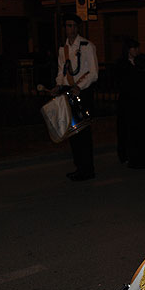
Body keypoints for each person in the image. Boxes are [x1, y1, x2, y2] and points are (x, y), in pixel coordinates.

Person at [52, 13, 98, 181]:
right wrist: (58, 84)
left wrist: (79, 86)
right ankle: (79, 167)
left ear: (77, 28)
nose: (69, 29)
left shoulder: (87, 46)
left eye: (72, 25)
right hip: (68, 91)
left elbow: (93, 73)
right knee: (72, 132)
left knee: (83, 133)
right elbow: (61, 71)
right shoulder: (62, 49)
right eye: (67, 25)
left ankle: (88, 169)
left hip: (82, 92)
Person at [116, 38, 145, 168]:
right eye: (133, 48)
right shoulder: (122, 64)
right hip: (130, 104)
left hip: (144, 103)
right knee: (131, 132)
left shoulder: (143, 60)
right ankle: (132, 157)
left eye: (137, 48)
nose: (136, 51)